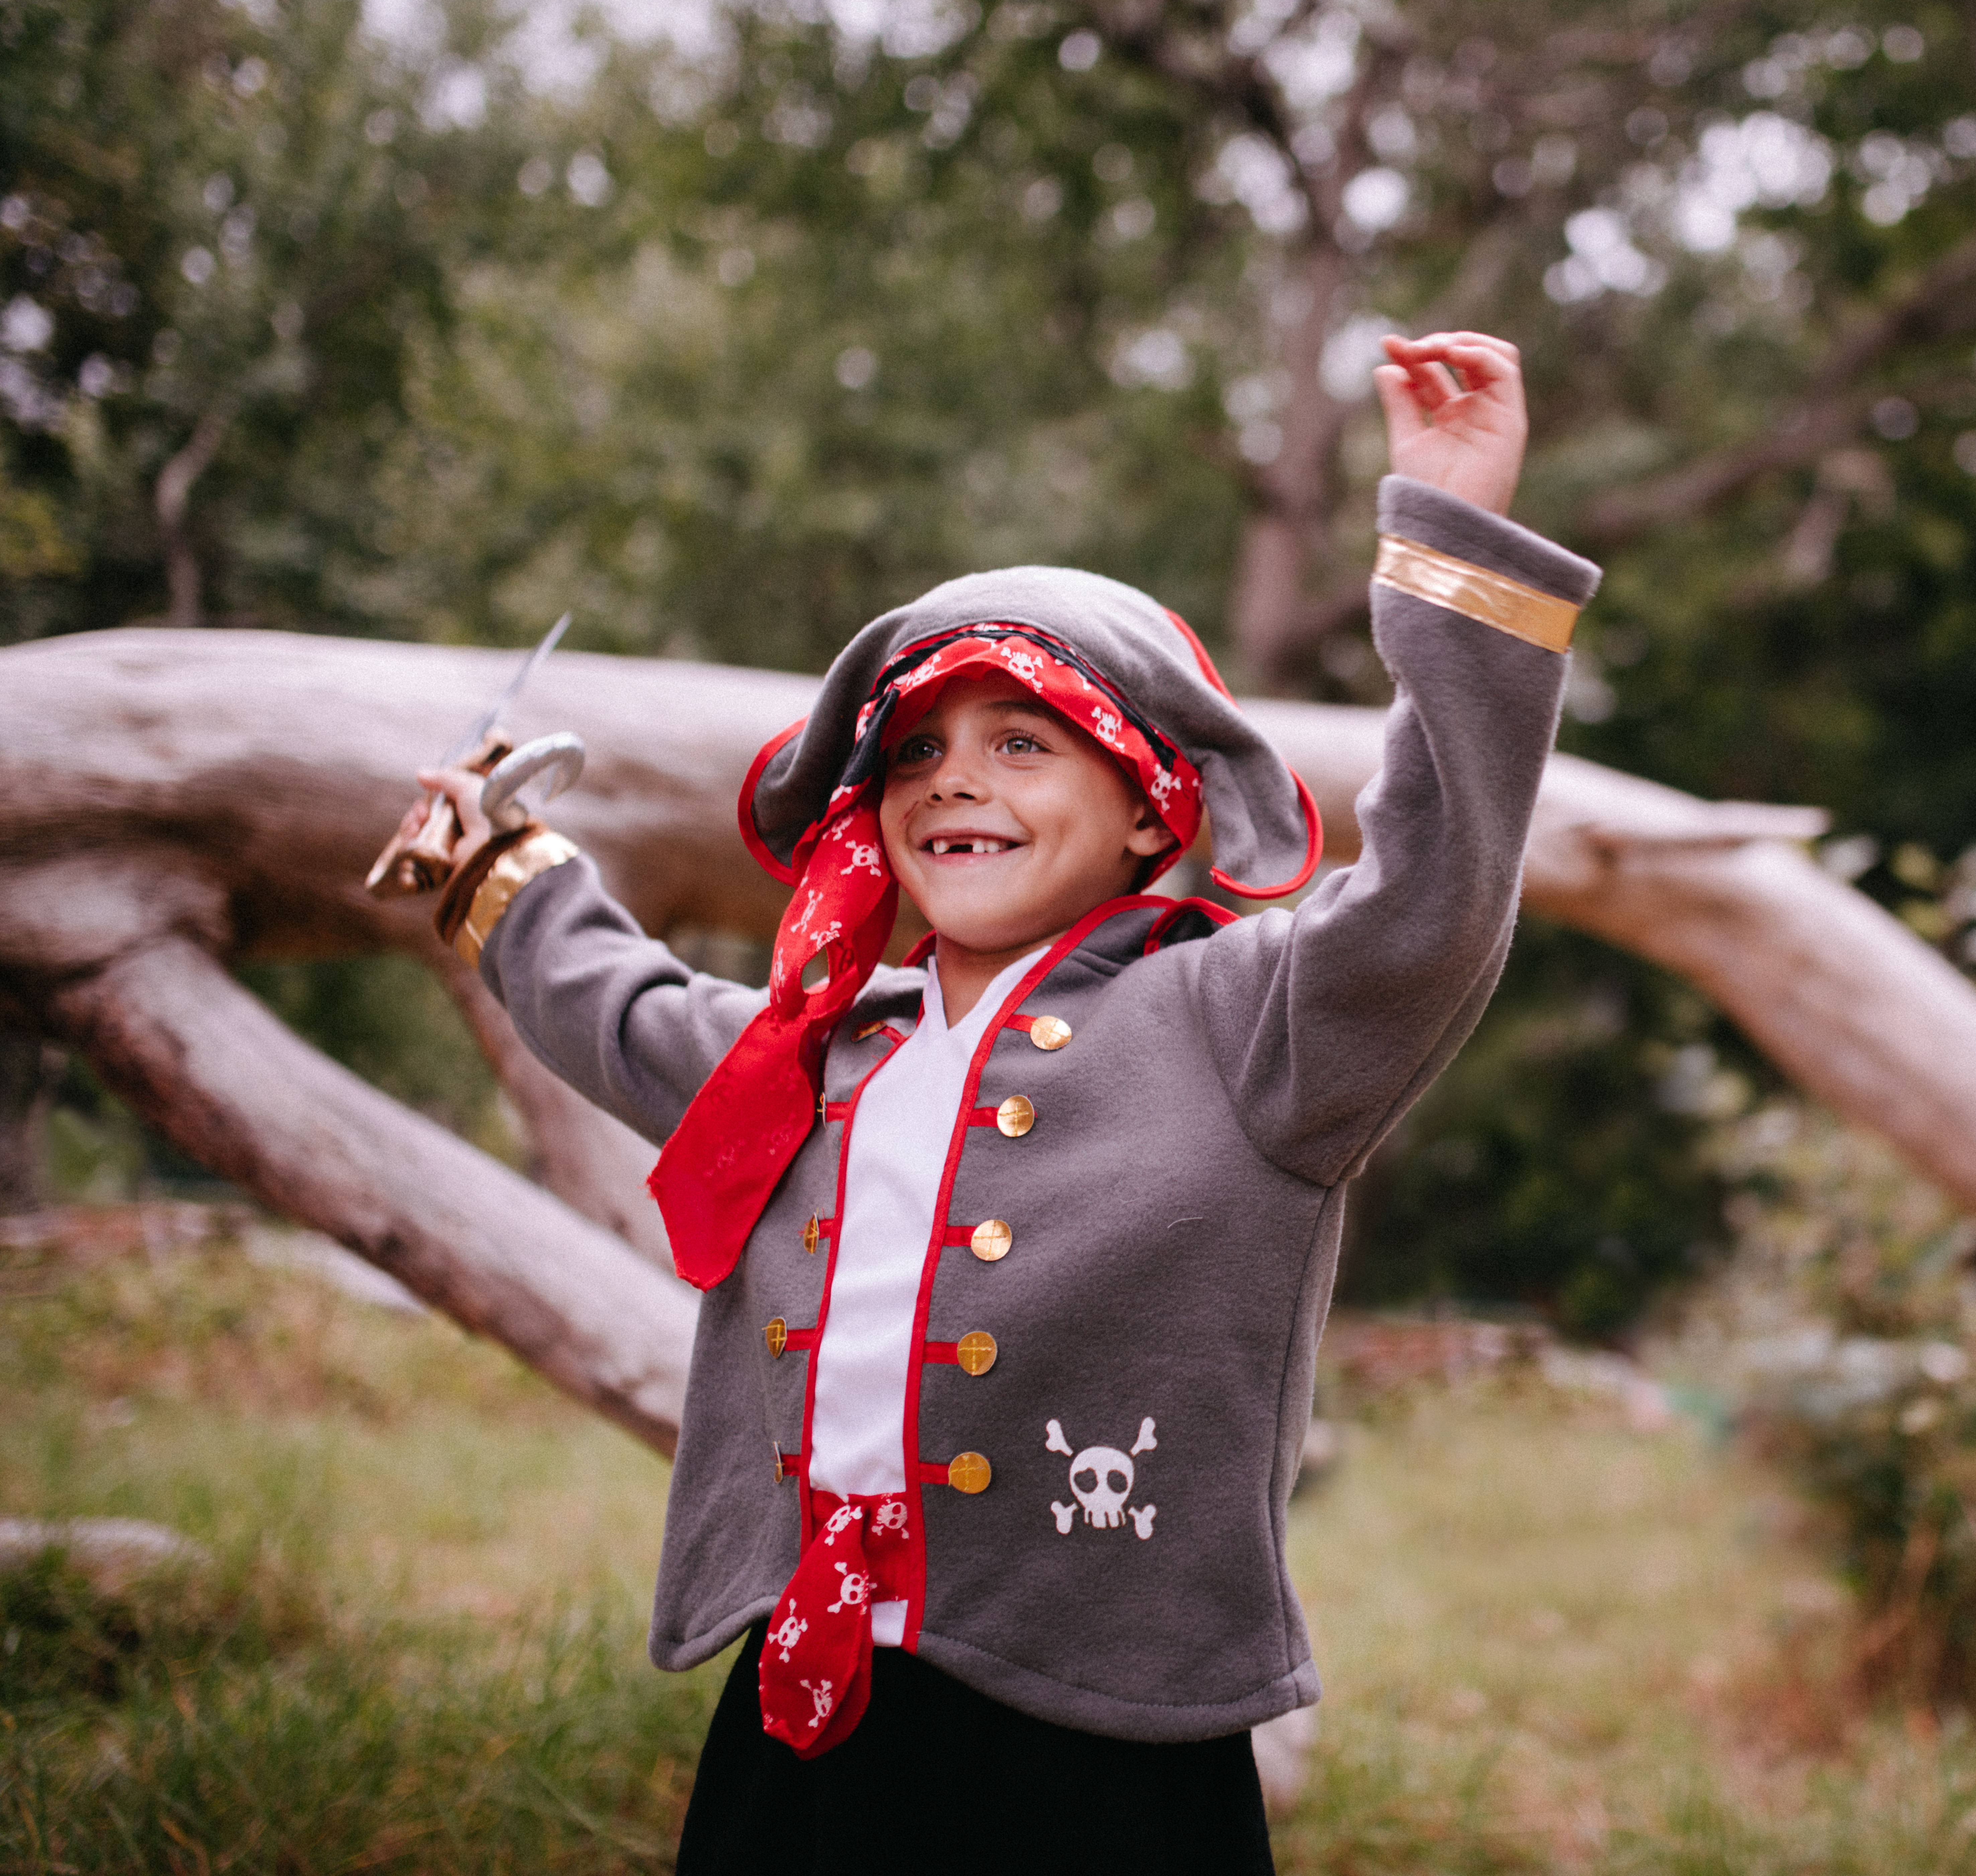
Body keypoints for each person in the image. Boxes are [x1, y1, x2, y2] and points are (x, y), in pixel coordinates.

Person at [406, 331, 1597, 1874]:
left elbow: (1437, 892)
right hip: (798, 1705)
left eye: (1021, 741)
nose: (951, 781)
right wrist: (498, 869)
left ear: (1146, 809)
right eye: (914, 750)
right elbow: (623, 1014)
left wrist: (1455, 545)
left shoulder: (1252, 1028)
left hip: (1098, 1735)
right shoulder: (818, 1045)